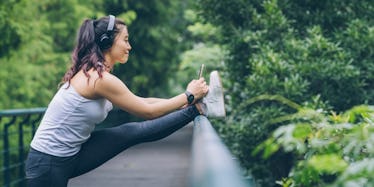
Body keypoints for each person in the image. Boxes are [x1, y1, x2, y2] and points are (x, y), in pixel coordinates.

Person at [25, 15, 225, 187]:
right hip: (48, 161)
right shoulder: (98, 79)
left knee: (129, 132)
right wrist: (188, 95)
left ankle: (200, 107)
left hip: (69, 153)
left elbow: (142, 101)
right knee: (132, 131)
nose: (129, 46)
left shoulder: (97, 75)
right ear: (107, 42)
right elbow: (147, 111)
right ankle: (199, 108)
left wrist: (183, 100)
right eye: (125, 40)